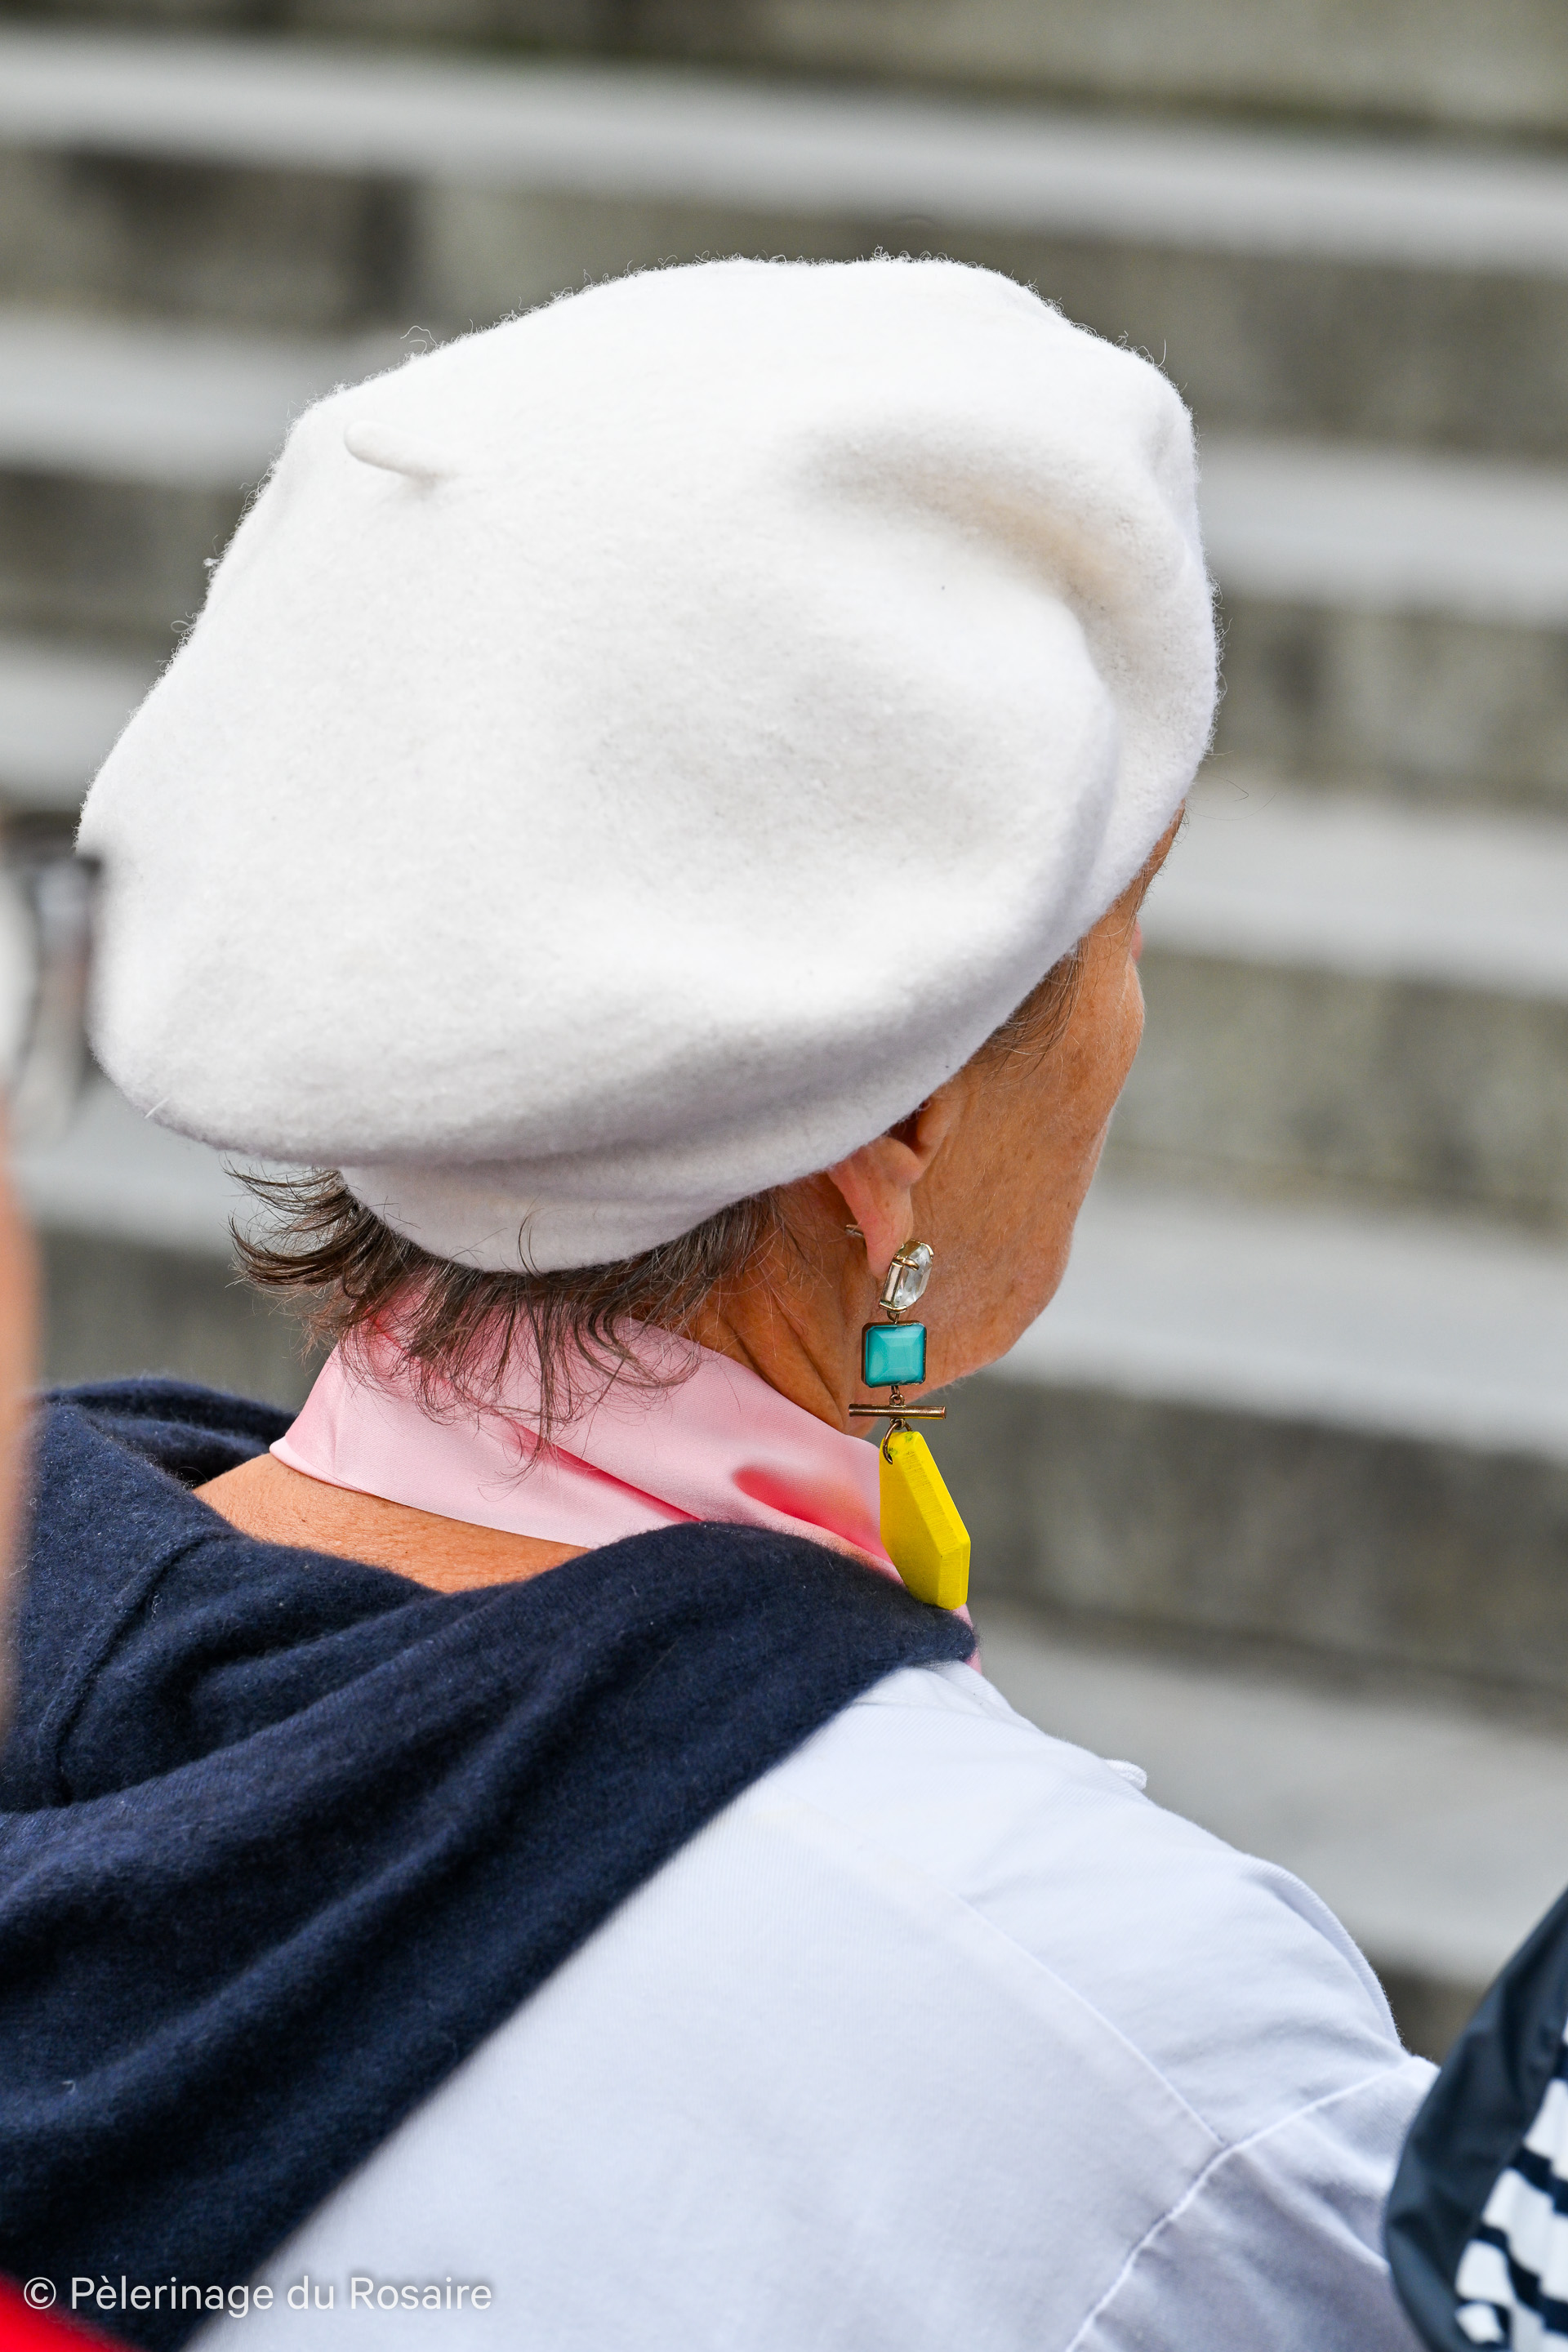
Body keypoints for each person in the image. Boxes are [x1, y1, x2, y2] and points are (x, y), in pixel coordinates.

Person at [0, 256, 1431, 2350]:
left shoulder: (67, 1610)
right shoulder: (1154, 2078)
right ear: (901, 1135)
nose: (1131, 1024)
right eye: (1124, 932)